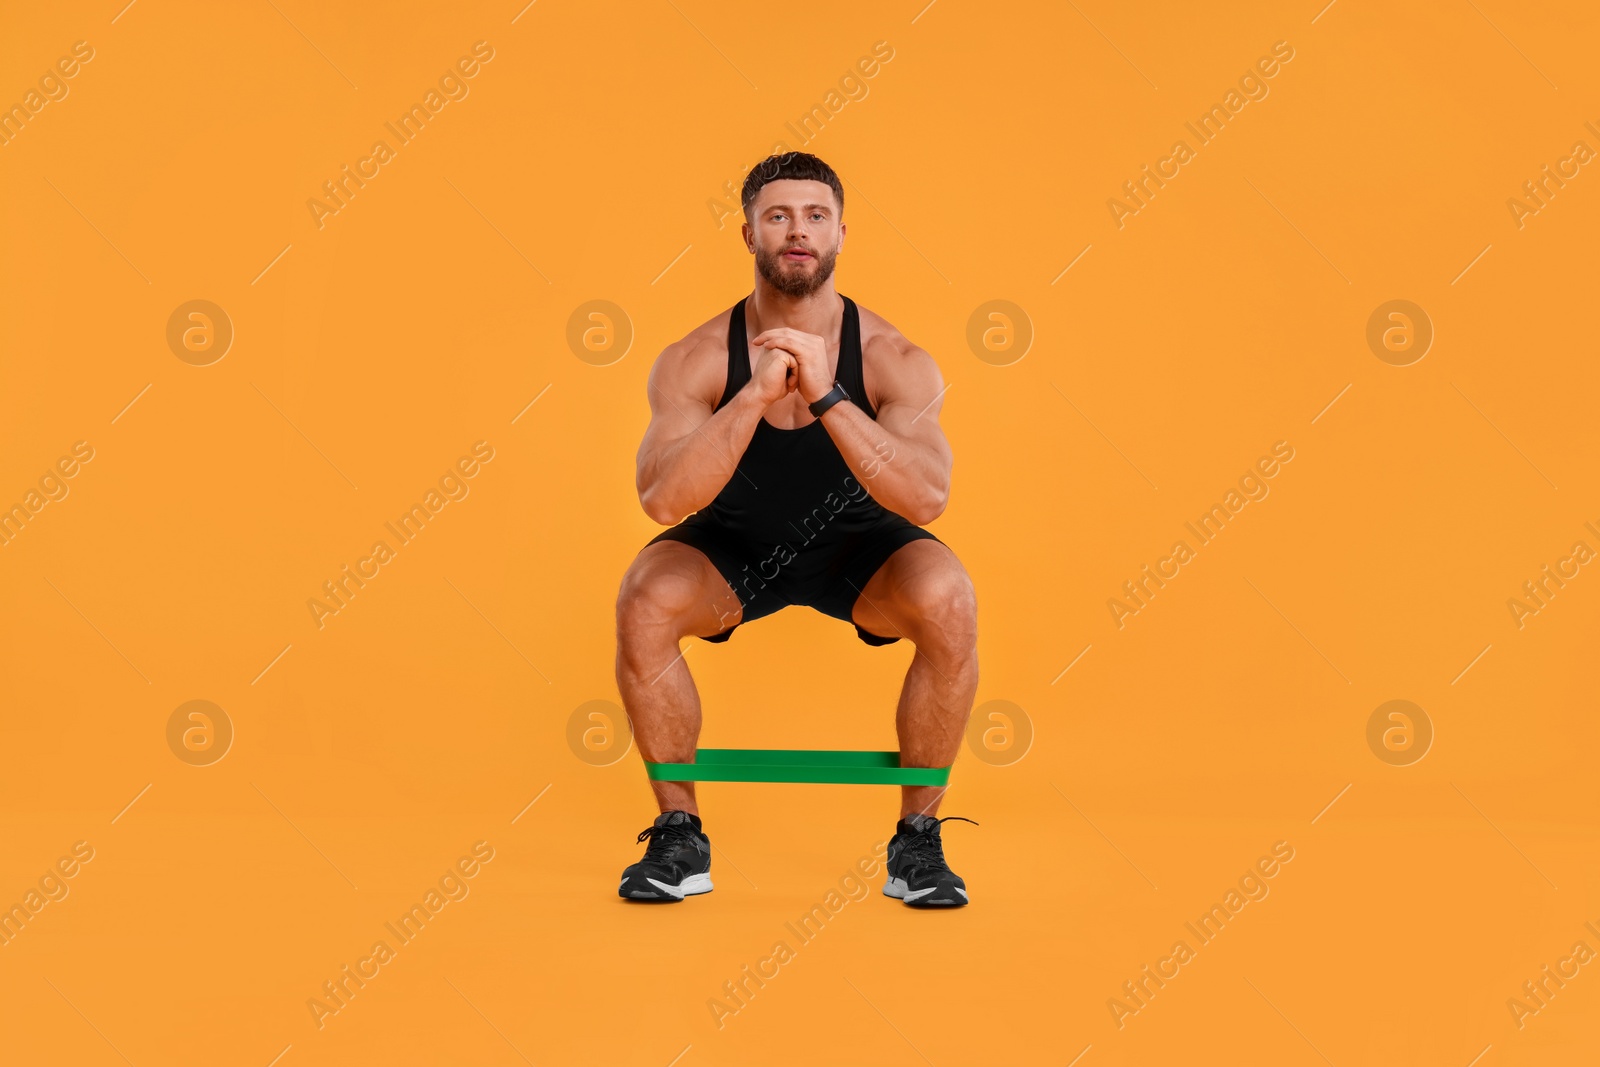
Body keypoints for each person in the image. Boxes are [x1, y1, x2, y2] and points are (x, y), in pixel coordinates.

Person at [614, 152, 979, 907]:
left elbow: (929, 497)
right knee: (645, 597)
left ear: (842, 232)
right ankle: (680, 836)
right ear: (747, 233)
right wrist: (750, 397)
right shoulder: (695, 358)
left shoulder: (891, 357)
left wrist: (827, 395)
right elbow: (659, 498)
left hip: (859, 551)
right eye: (777, 216)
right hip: (734, 549)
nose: (797, 231)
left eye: (815, 215)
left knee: (950, 599)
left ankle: (918, 841)